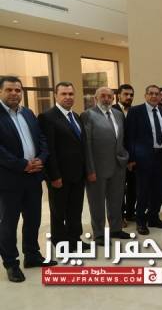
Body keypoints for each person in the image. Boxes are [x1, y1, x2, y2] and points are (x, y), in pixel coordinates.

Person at [0, 76, 56, 283]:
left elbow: (41, 139)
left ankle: (32, 255)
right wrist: (22, 164)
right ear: (0, 92)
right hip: (9, 180)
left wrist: (41, 158)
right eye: (9, 90)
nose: (14, 94)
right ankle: (11, 263)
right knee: (9, 223)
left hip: (33, 177)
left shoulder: (28, 113)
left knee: (33, 219)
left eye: (18, 90)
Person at [38, 82, 88, 249]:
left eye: (71, 94)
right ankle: (60, 242)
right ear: (55, 96)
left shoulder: (76, 116)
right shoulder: (47, 117)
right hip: (59, 175)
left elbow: (81, 146)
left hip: (78, 174)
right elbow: (49, 149)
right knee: (58, 212)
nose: (68, 97)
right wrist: (54, 176)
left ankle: (75, 239)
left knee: (75, 209)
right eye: (64, 94)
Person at [81, 87, 130, 245]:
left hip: (118, 165)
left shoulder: (118, 114)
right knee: (97, 202)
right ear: (95, 98)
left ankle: (116, 228)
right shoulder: (88, 115)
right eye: (103, 96)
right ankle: (99, 233)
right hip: (98, 167)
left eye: (109, 96)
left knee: (116, 200)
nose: (106, 99)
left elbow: (121, 138)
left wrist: (124, 156)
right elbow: (87, 144)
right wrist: (90, 169)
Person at [126, 85, 162, 235]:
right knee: (143, 191)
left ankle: (153, 218)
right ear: (145, 95)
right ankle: (140, 222)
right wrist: (131, 159)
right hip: (142, 158)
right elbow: (130, 136)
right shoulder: (135, 111)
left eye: (157, 94)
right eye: (151, 93)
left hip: (160, 156)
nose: (154, 96)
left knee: (158, 190)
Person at [113, 83, 136, 226]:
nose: (129, 97)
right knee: (118, 190)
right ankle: (119, 216)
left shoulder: (135, 111)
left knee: (133, 187)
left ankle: (130, 213)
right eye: (126, 94)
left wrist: (132, 158)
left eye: (131, 95)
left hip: (133, 158)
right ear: (118, 96)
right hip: (117, 158)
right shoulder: (112, 110)